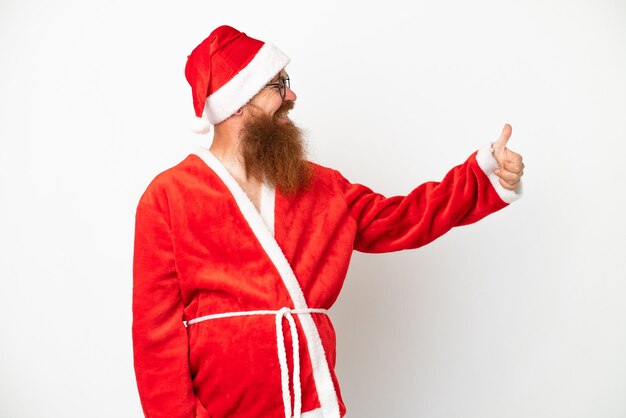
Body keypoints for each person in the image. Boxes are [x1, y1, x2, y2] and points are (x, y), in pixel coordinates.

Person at [132, 25, 524, 418]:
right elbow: (155, 339)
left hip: (311, 401)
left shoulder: (319, 187)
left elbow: (403, 218)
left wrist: (482, 175)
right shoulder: (168, 197)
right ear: (237, 101)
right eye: (277, 84)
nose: (292, 95)